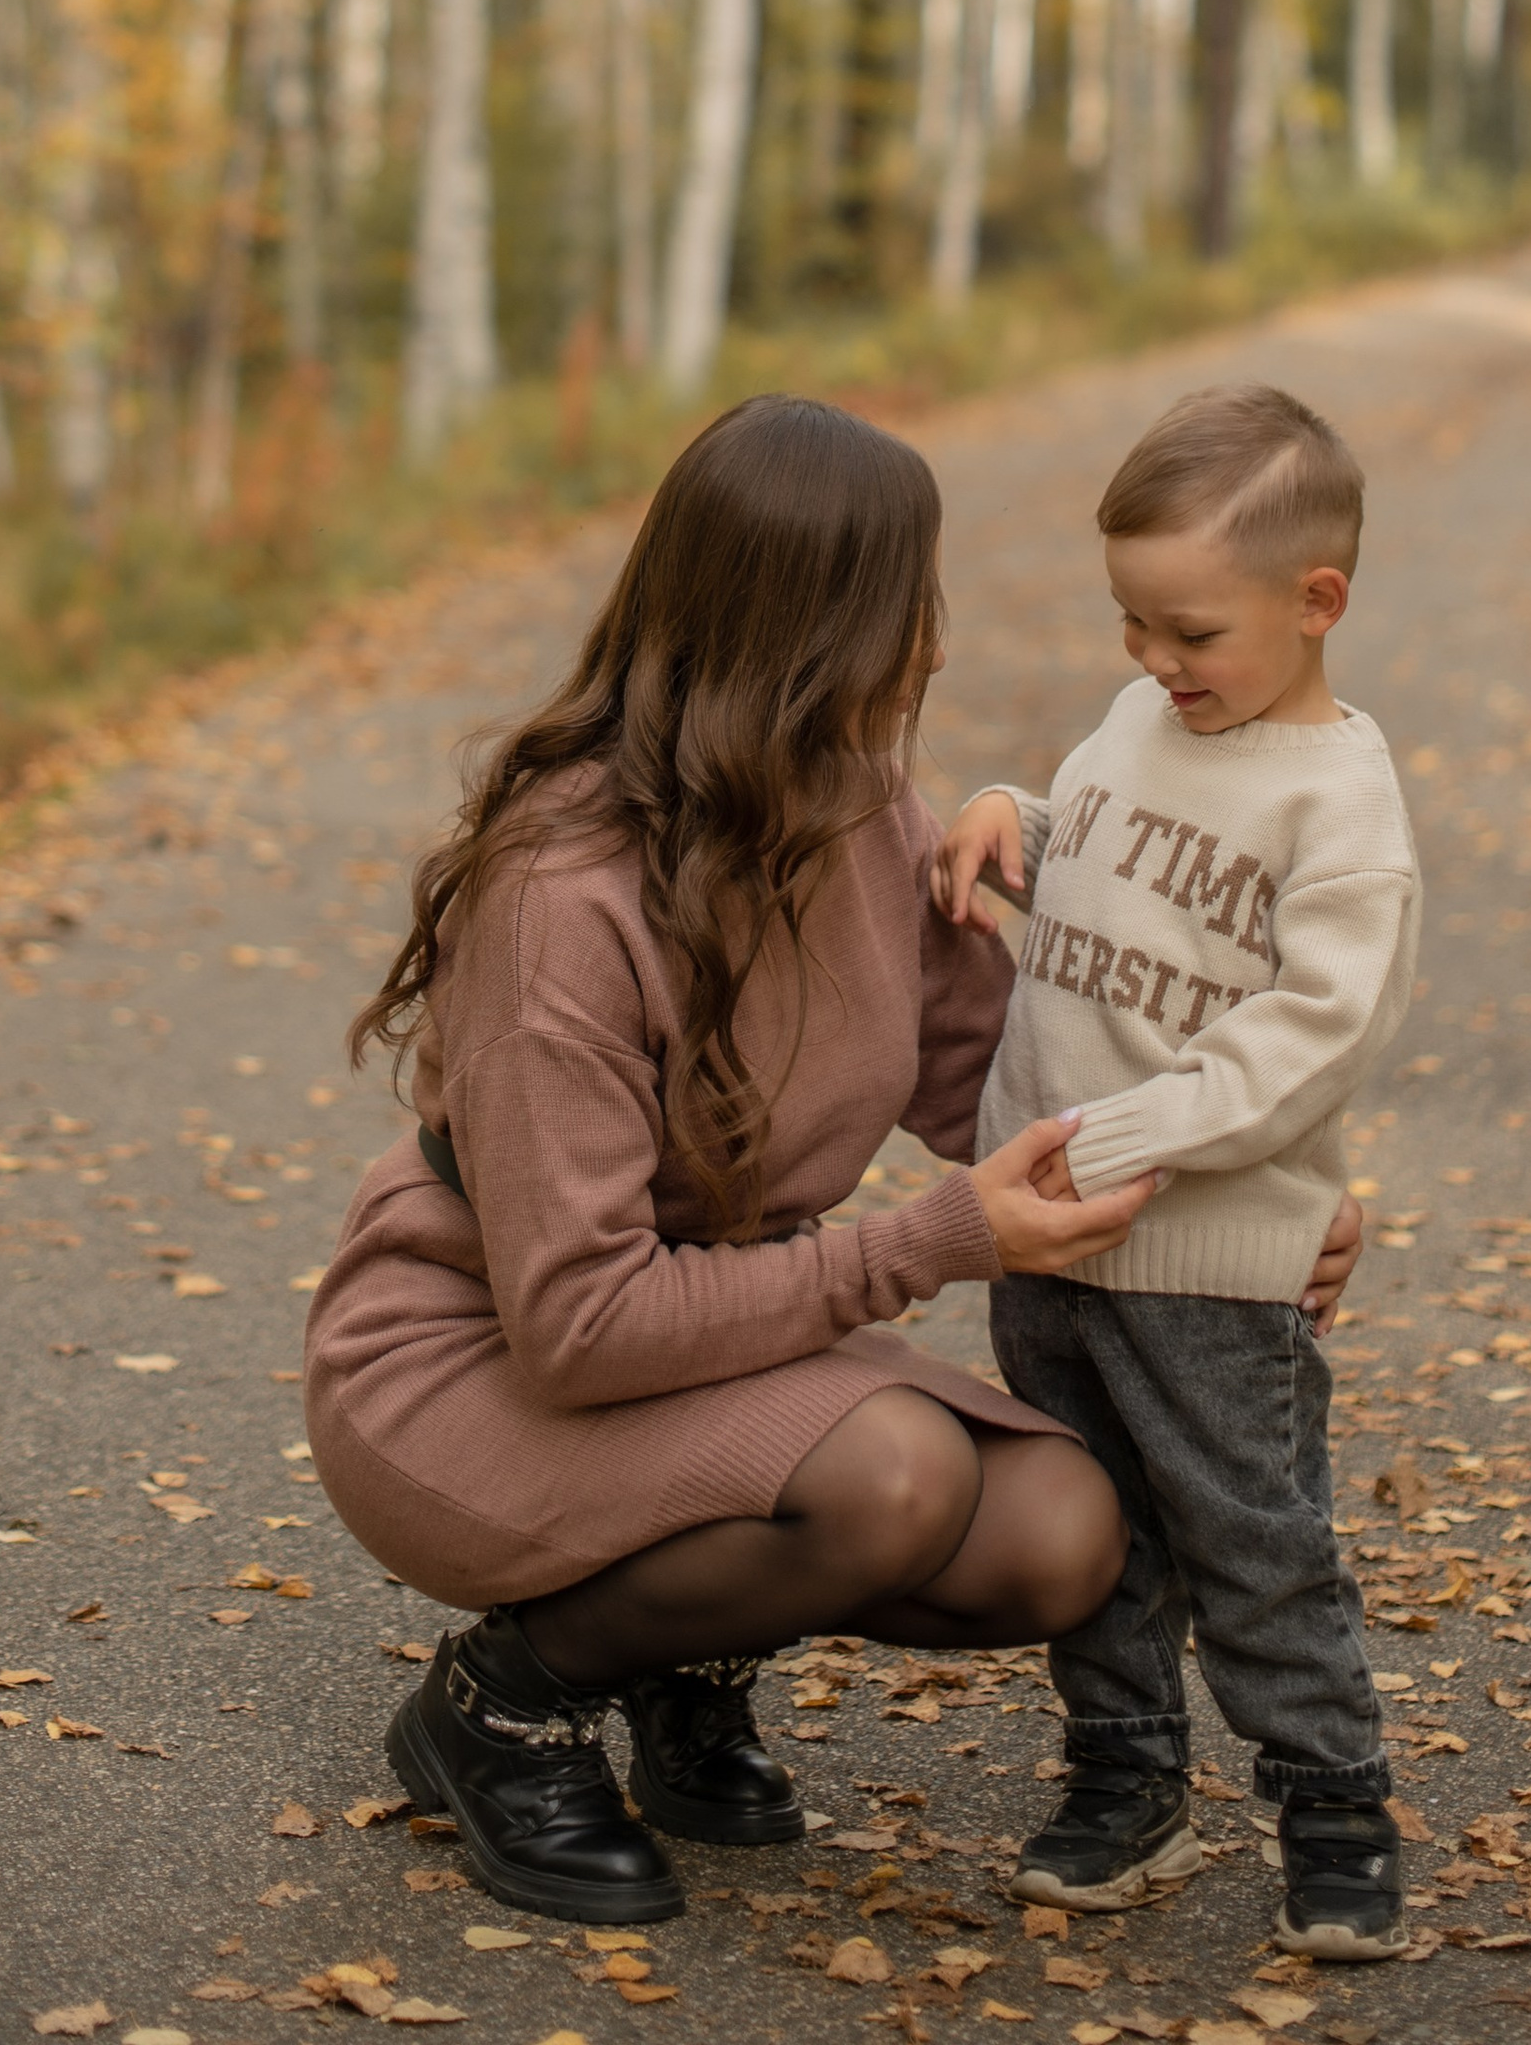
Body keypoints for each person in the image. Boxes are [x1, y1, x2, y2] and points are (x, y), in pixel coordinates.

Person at [303, 393, 1165, 1930]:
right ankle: (503, 1710)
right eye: (914, 603)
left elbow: (1007, 1098)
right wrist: (923, 1247)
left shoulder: (864, 814)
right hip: (470, 1359)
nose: (937, 645)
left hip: (707, 1341)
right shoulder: (559, 899)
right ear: (822, 629)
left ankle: (683, 1657)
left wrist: (1248, 1213)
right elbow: (579, 1325)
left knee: (1064, 1537)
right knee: (890, 1480)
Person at [933, 380, 1418, 1964]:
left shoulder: (1338, 805)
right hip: (1054, 1249)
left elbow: (1314, 1037)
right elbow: (1102, 839)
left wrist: (1125, 1138)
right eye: (1130, 622)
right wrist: (1018, 805)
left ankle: (1334, 1806)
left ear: (1315, 602)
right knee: (1099, 1534)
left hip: (1206, 1262)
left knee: (1251, 1539)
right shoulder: (1147, 720)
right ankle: (1126, 1778)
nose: (1151, 661)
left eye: (1188, 632)